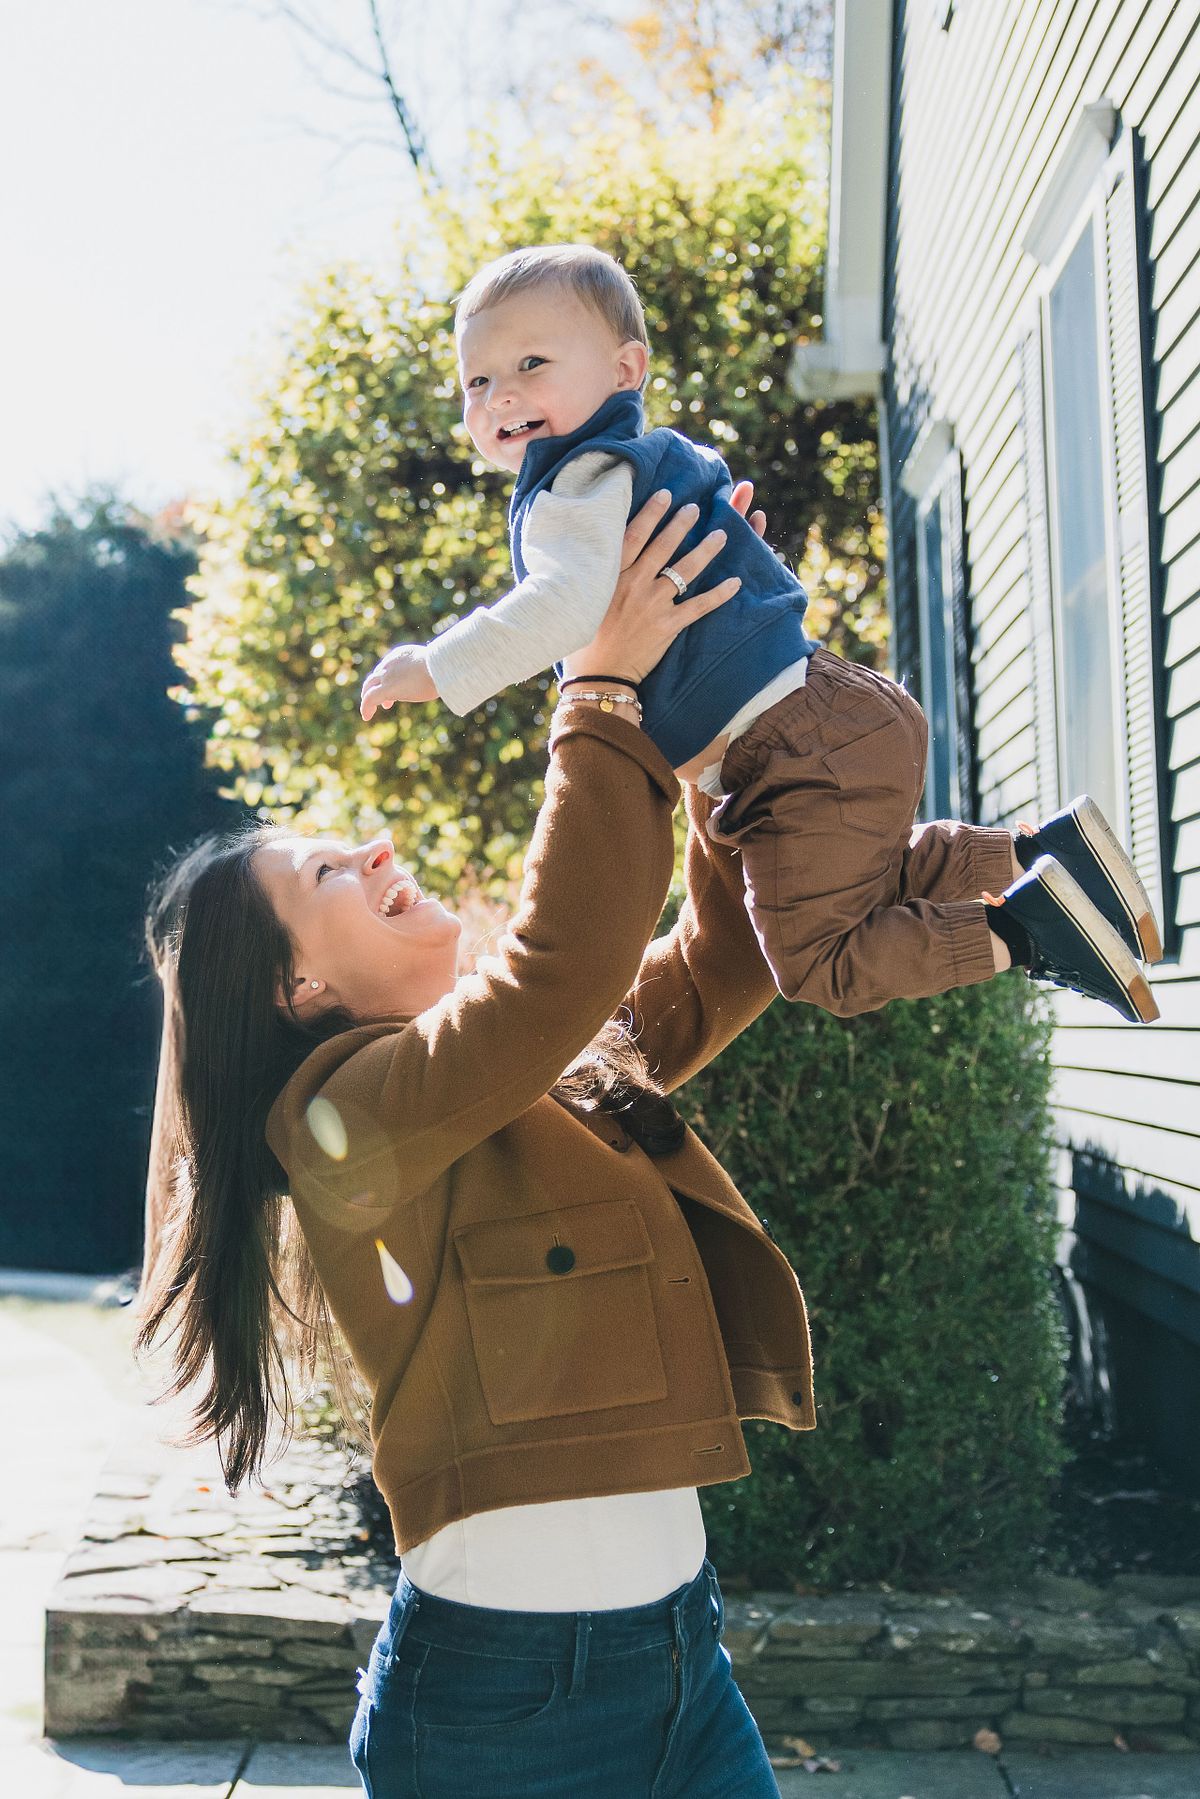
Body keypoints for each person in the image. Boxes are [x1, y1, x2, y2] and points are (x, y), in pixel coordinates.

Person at [138, 488, 814, 1799]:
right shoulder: (337, 1122)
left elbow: (728, 960)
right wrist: (599, 685)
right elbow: (559, 974)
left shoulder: (505, 1061)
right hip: (505, 1713)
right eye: (332, 872)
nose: (375, 847)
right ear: (294, 993)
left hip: (687, 1659)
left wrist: (697, 712)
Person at [359, 243, 1163, 1027]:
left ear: (625, 369)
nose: (500, 395)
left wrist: (434, 667)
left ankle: (1028, 931)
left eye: (531, 364)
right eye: (477, 380)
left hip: (786, 743)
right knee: (875, 884)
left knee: (820, 965)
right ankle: (1040, 852)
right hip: (830, 709)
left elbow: (560, 607)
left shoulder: (575, 483)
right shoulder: (655, 456)